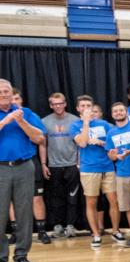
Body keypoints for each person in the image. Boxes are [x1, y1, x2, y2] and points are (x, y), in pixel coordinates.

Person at [0, 79, 45, 262]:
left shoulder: (25, 113)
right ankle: (1, 257)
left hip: (24, 167)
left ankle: (21, 254)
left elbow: (39, 138)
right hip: (1, 168)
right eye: (1, 91)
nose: (4, 94)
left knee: (24, 211)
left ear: (12, 93)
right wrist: (5, 121)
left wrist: (21, 121)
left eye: (7, 91)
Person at [71, 95, 118, 247]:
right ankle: (96, 234)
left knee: (114, 200)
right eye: (82, 106)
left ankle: (116, 231)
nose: (86, 109)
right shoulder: (75, 125)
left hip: (107, 167)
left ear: (92, 108)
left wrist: (101, 142)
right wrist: (85, 123)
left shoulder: (104, 124)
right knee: (91, 202)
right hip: (89, 169)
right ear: (78, 109)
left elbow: (113, 144)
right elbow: (83, 143)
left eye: (88, 106)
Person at [41, 92, 81, 239]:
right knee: (56, 197)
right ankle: (58, 226)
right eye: (54, 104)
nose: (58, 106)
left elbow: (80, 144)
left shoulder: (75, 120)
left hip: (72, 164)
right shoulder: (44, 121)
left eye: (60, 103)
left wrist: (78, 162)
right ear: (51, 105)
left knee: (73, 196)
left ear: (65, 103)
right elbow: (43, 144)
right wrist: (44, 164)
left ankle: (71, 225)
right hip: (54, 165)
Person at [105, 103, 130, 244]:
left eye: (121, 110)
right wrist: (113, 155)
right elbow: (110, 155)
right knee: (129, 206)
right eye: (115, 111)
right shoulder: (111, 133)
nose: (118, 113)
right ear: (112, 114)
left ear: (127, 112)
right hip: (122, 174)